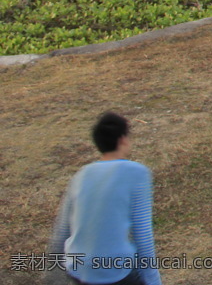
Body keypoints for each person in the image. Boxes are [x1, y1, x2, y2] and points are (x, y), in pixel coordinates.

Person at [47, 112, 162, 285]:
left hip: (78, 268)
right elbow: (143, 236)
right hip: (114, 270)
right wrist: (154, 281)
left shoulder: (81, 174)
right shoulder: (137, 173)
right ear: (123, 139)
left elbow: (62, 232)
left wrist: (51, 276)